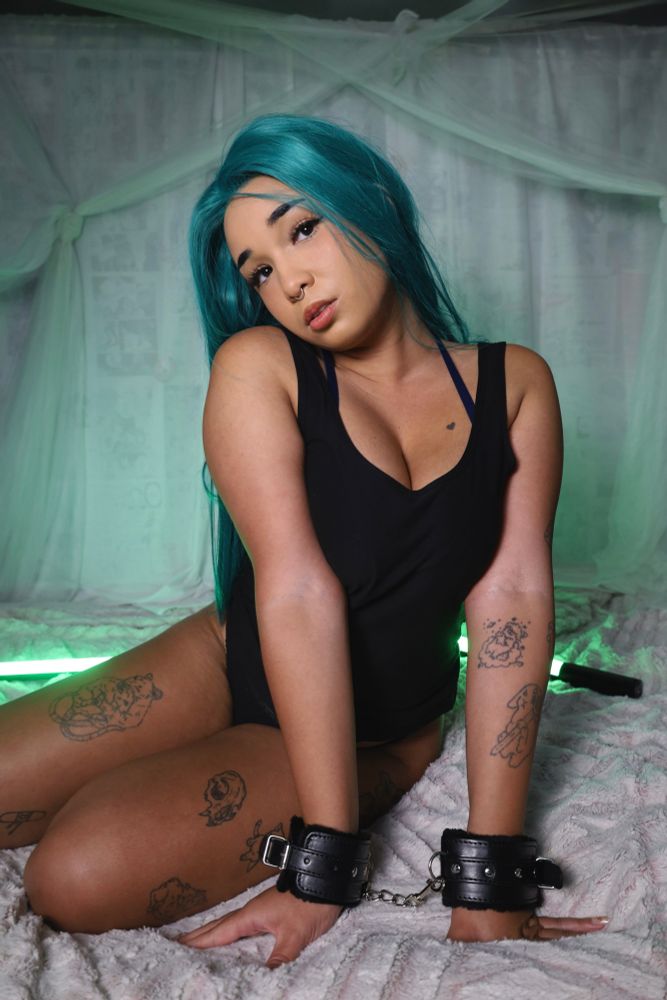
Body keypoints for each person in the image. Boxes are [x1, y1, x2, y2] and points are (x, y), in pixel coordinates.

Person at [0, 114, 607, 965]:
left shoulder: (514, 386)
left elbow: (513, 603)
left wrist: (488, 877)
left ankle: (378, 767)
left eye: (302, 229)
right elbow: (294, 590)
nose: (289, 281)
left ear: (371, 202)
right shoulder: (261, 366)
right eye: (258, 269)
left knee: (71, 879)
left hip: (372, 730)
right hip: (228, 657)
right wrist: (325, 860)